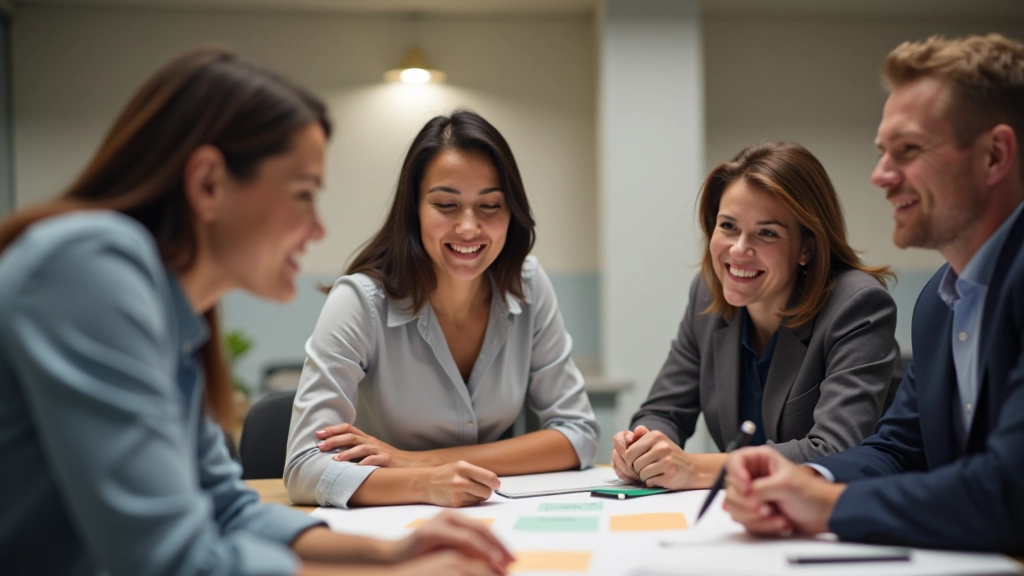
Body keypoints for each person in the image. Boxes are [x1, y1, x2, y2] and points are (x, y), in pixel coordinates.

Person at [0, 48, 513, 576]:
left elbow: (227, 510)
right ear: (208, 184)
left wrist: (388, 553)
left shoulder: (171, 312)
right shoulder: (87, 269)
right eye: (303, 194)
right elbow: (169, 559)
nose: (318, 230)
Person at [723, 34, 1024, 555]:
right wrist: (804, 474)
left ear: (994, 155)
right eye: (882, 152)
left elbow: (1009, 490)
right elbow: (898, 449)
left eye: (908, 150)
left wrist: (827, 507)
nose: (880, 176)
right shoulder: (938, 302)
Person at [283, 111, 599, 509]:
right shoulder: (359, 300)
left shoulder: (528, 284)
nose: (468, 227)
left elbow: (579, 433)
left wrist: (419, 461)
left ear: (511, 213)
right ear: (414, 210)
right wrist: (424, 482)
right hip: (387, 525)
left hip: (489, 515)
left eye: (490, 205)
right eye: (446, 204)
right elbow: (303, 468)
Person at [611, 141, 899, 490]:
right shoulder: (706, 294)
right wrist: (644, 448)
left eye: (767, 233)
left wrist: (696, 469)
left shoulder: (857, 304)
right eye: (728, 226)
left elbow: (837, 450)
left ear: (806, 247)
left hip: (832, 521)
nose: (738, 249)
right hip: (743, 516)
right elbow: (663, 411)